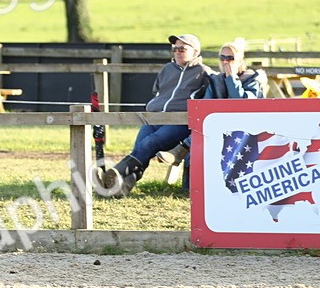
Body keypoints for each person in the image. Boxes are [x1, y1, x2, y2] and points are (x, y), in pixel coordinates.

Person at [102, 33, 212, 196]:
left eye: (182, 48)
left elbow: (212, 96)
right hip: (154, 118)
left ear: (195, 52)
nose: (177, 51)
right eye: (175, 48)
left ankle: (118, 171)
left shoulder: (204, 73)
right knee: (140, 147)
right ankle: (125, 185)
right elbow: (158, 91)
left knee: (149, 143)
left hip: (179, 122)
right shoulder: (167, 69)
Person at [159, 38, 266, 186]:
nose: (225, 61)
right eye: (222, 57)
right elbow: (206, 107)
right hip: (218, 127)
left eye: (230, 58)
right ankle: (190, 185)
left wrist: (232, 78)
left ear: (240, 60)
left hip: (245, 127)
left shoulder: (252, 80)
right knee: (199, 139)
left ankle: (181, 149)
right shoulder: (216, 80)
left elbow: (241, 104)